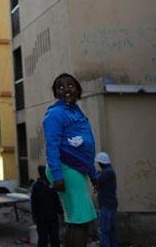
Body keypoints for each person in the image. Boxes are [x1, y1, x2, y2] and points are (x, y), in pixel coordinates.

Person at [43, 73, 99, 247]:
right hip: (65, 167)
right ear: (56, 93)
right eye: (60, 87)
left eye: (70, 85)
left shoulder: (76, 111)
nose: (66, 89)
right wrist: (57, 175)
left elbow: (86, 149)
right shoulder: (55, 114)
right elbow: (51, 146)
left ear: (77, 89)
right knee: (81, 221)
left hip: (77, 168)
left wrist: (93, 174)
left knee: (77, 220)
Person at [30, 165, 63, 247]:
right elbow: (33, 203)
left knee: (55, 239)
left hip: (53, 217)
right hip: (42, 219)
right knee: (43, 240)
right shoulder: (36, 186)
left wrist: (60, 212)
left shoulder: (52, 184)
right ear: (41, 173)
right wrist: (35, 216)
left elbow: (56, 199)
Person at [95, 152, 118, 247]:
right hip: (109, 204)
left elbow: (96, 179)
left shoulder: (107, 172)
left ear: (102, 163)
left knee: (103, 231)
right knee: (110, 231)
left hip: (106, 205)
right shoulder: (109, 171)